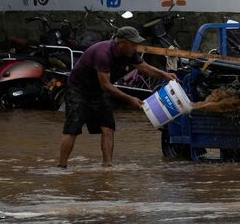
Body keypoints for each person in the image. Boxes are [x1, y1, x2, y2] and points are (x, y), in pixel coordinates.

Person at [58, 26, 177, 168]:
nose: (136, 48)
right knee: (73, 128)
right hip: (79, 90)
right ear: (121, 43)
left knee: (108, 127)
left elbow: (145, 67)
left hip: (99, 91)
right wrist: (130, 99)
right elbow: (106, 85)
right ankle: (62, 166)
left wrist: (165, 75)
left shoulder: (129, 53)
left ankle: (107, 166)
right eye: (133, 44)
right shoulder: (103, 53)